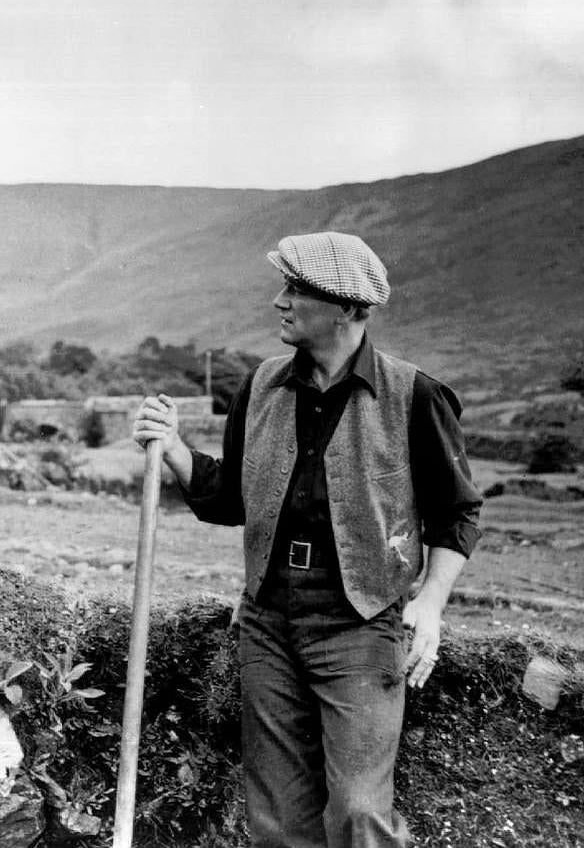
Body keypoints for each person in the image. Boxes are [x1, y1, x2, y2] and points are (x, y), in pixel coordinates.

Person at [132, 231, 482, 848]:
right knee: (276, 817)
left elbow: (456, 512)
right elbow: (232, 499)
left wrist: (428, 606)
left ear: (348, 308)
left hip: (360, 624)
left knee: (357, 811)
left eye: (296, 289)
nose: (280, 301)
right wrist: (177, 451)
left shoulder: (415, 396)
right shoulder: (261, 386)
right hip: (267, 621)